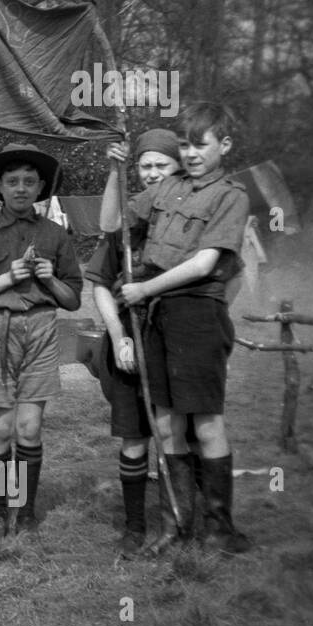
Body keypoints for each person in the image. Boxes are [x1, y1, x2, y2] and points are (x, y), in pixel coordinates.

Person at [101, 105, 252, 554]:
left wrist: (143, 288)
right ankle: (175, 524)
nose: (189, 153)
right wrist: (114, 170)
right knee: (167, 425)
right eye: (183, 144)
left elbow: (205, 263)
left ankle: (219, 528)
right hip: (159, 315)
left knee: (205, 423)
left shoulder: (231, 195)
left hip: (197, 313)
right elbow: (111, 225)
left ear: (223, 146)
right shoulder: (168, 186)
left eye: (199, 144)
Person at [0, 144, 83, 539]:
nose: (21, 188)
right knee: (1, 430)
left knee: (29, 429)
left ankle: (24, 512)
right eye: (13, 181)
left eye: (30, 181)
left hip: (41, 330)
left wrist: (48, 278)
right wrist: (9, 278)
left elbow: (72, 300)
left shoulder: (55, 234)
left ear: (42, 186)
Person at [84, 129, 185, 555]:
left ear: (179, 167)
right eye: (145, 166)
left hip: (176, 336)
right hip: (131, 337)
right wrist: (119, 335)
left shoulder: (189, 217)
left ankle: (180, 522)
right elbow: (101, 284)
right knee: (134, 437)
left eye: (162, 165)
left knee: (177, 433)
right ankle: (134, 527)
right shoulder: (129, 224)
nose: (152, 173)